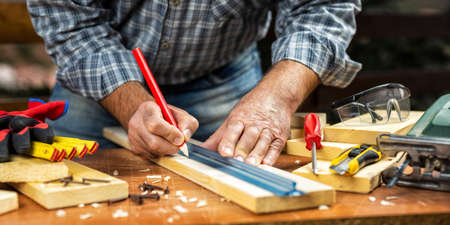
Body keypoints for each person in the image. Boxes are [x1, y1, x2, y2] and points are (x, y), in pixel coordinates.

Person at [27, 0, 362, 166]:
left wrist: (277, 97)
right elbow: (71, 22)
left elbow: (323, 7)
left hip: (224, 79)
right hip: (96, 85)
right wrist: (129, 102)